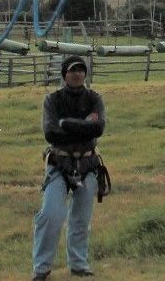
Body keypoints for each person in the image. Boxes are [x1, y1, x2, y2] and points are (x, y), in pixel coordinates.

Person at [33, 56, 108, 280]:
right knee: (51, 214)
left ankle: (79, 264)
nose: (77, 74)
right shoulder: (52, 100)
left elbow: (99, 128)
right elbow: (50, 132)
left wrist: (65, 124)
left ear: (85, 74)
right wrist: (84, 126)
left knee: (81, 220)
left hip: (88, 164)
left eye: (81, 70)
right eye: (72, 70)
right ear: (64, 73)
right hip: (60, 164)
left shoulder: (95, 98)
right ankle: (41, 268)